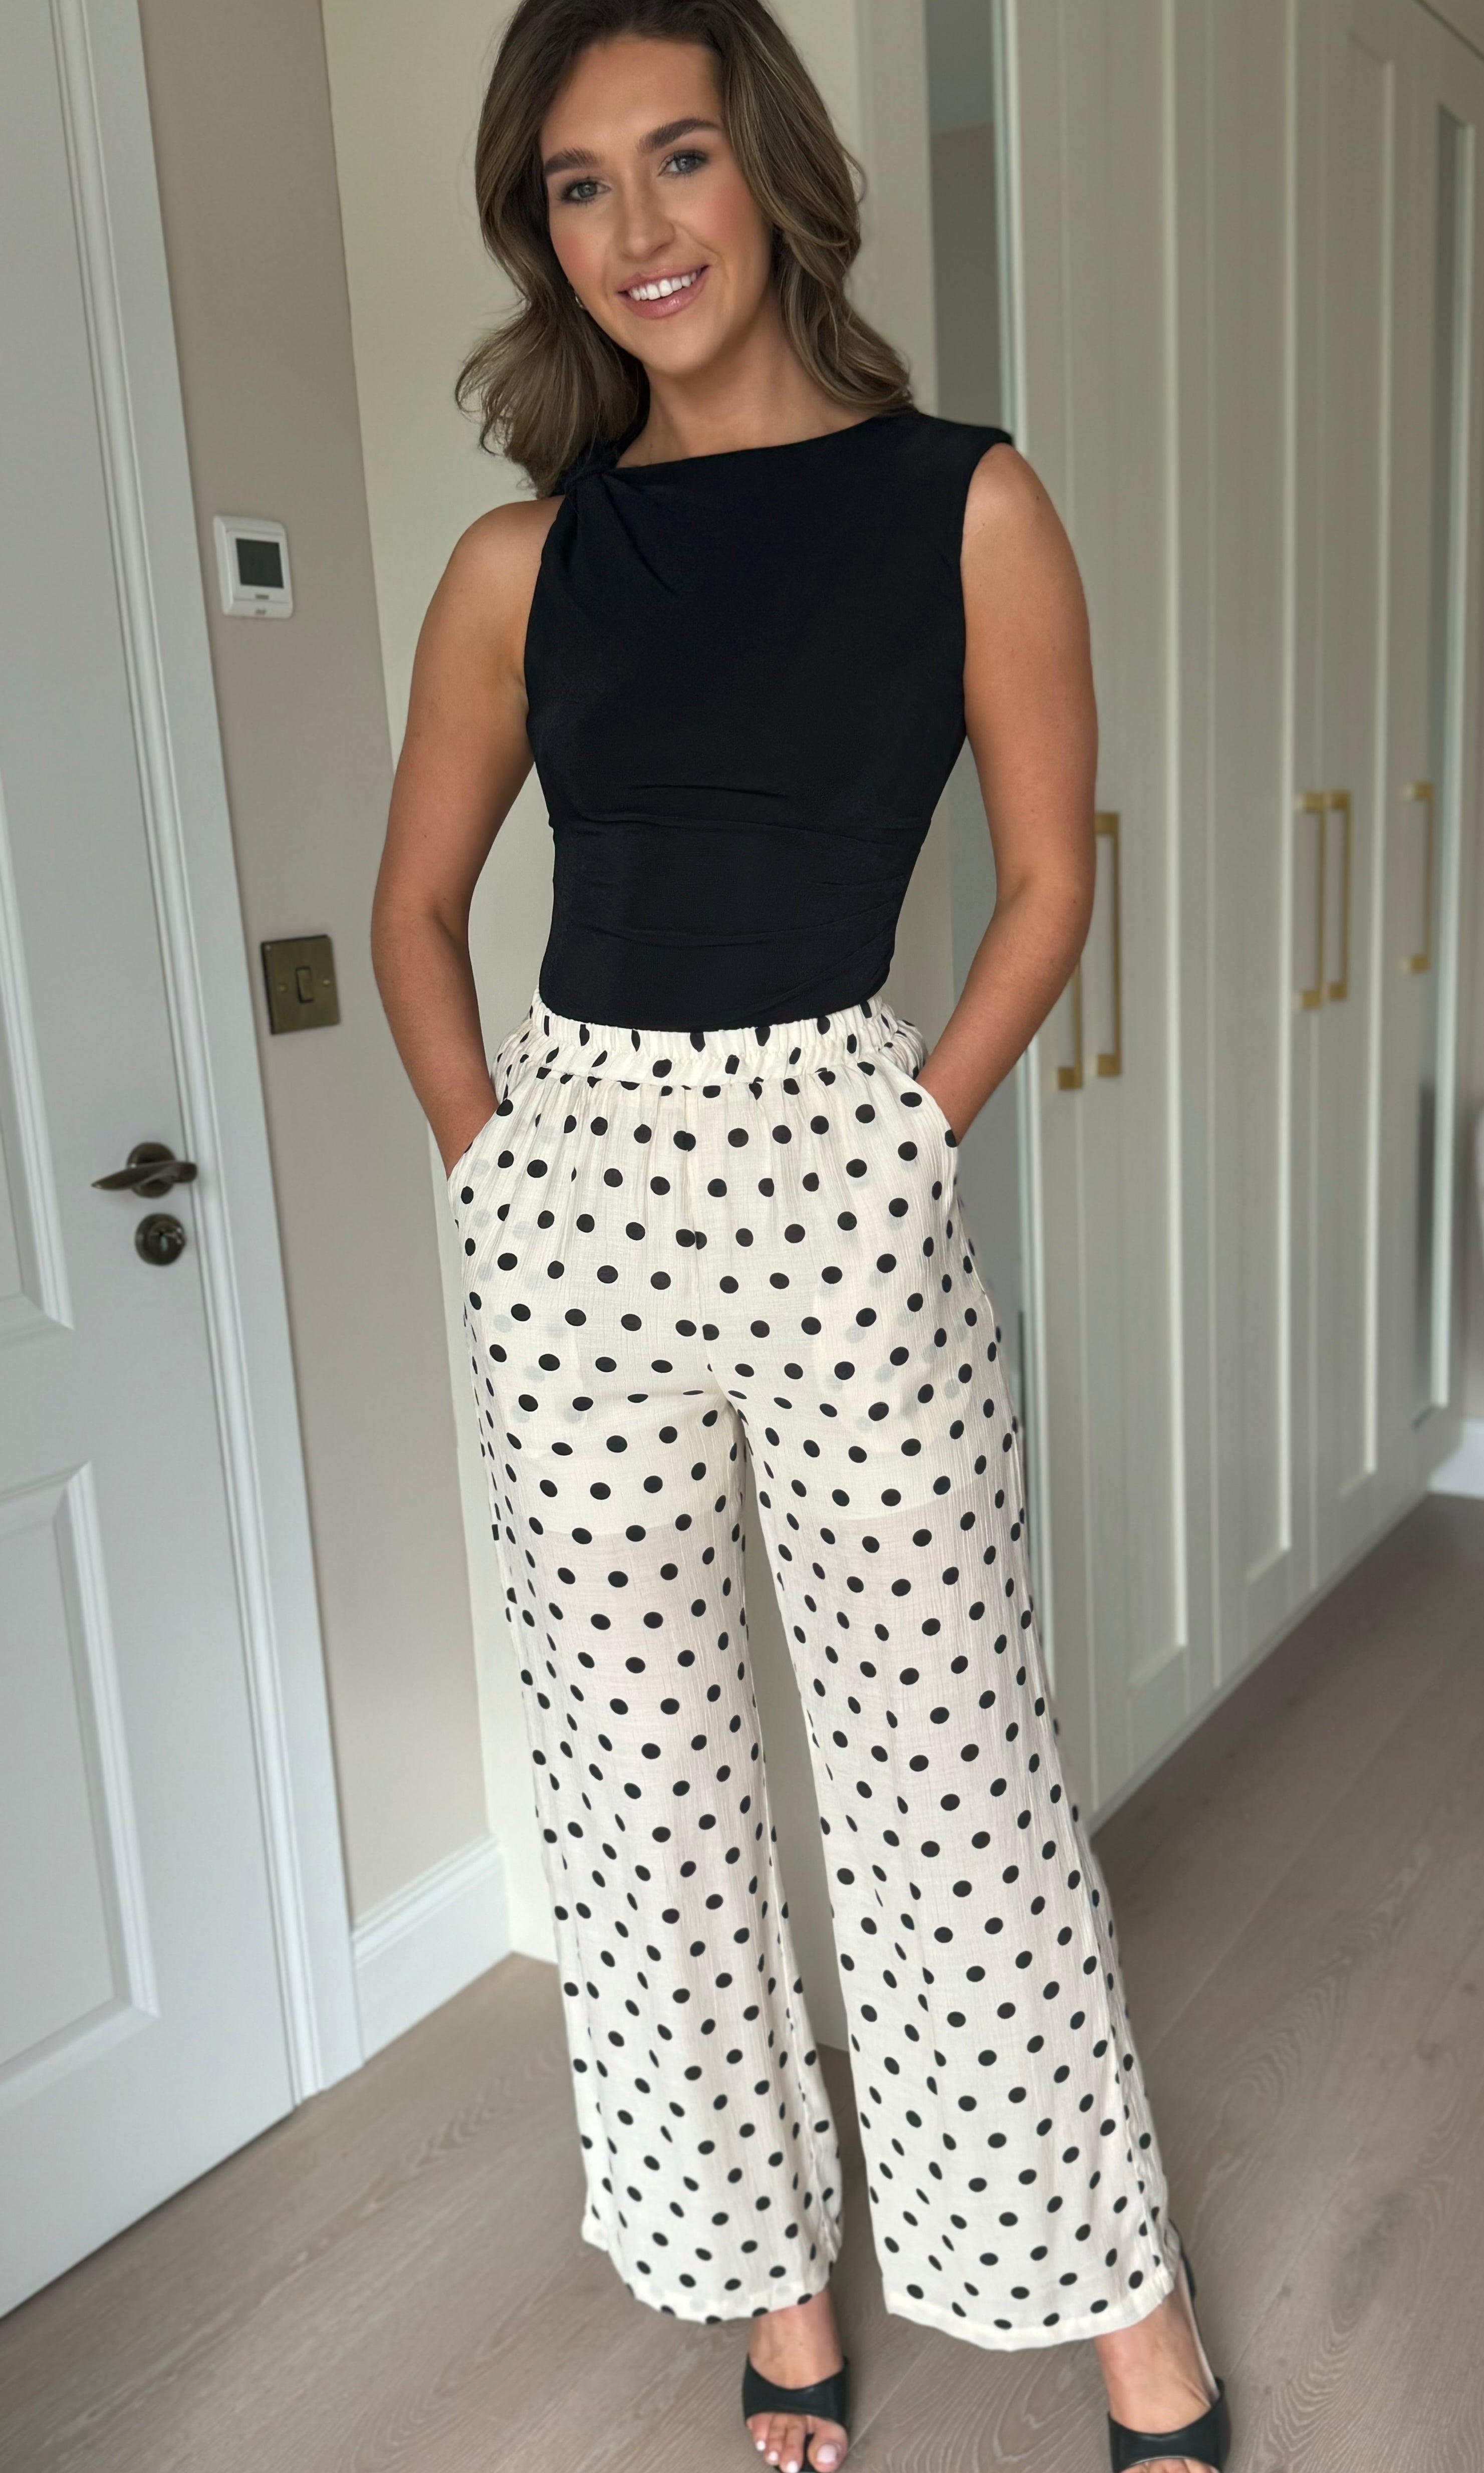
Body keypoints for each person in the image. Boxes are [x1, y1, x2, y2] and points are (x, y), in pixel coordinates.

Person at [371, 5, 1230, 2469]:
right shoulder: (522, 562)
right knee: (643, 1797)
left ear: (775, 175)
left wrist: (907, 1131)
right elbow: (414, 913)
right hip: (580, 1204)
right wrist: (497, 1174)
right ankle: (769, 2281)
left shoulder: (967, 504)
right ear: (541, 230)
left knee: (952, 1772)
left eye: (681, 159)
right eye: (579, 185)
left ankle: (1119, 2300)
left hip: (841, 1166)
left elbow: (1049, 878)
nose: (638, 228)